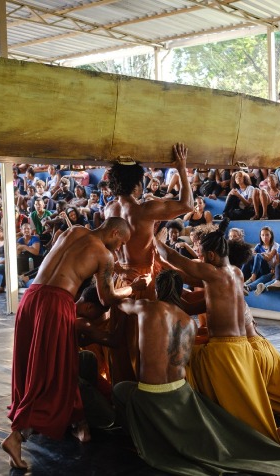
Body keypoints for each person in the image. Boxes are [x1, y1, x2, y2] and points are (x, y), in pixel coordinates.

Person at [113, 270, 280, 474]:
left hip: (151, 394)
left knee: (120, 389)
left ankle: (139, 440)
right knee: (218, 424)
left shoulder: (147, 308)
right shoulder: (189, 322)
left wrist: (134, 287)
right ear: (180, 291)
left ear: (158, 289)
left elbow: (119, 303)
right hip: (181, 392)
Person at [1, 217, 142, 470]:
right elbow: (107, 297)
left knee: (34, 367)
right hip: (55, 305)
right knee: (55, 375)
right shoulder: (105, 255)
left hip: (31, 298)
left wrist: (112, 269)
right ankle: (18, 436)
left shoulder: (74, 231)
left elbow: (71, 262)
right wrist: (134, 288)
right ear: (114, 232)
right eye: (120, 243)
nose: (119, 249)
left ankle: (78, 422)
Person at [154, 220, 280, 454]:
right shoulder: (236, 272)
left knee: (180, 363)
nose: (200, 260)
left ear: (211, 255)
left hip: (224, 350)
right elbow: (185, 276)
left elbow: (173, 259)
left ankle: (275, 434)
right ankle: (272, 431)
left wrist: (153, 237)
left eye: (202, 256)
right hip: (241, 345)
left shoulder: (211, 273)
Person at [103, 143, 193, 383]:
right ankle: (149, 387)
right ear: (137, 183)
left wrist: (118, 268)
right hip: (144, 280)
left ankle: (121, 389)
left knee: (121, 338)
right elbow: (187, 205)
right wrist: (181, 169)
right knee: (147, 339)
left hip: (120, 277)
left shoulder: (109, 209)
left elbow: (105, 247)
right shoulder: (145, 209)